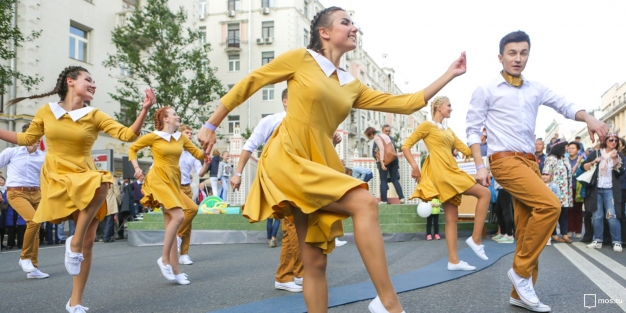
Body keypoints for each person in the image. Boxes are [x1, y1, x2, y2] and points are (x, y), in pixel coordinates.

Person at [197, 6, 467, 313]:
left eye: (353, 23)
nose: (353, 28)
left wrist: (450, 73)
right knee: (364, 203)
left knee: (314, 261)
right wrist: (210, 124)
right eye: (346, 22)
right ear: (324, 32)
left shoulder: (351, 85)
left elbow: (405, 104)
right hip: (287, 156)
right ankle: (389, 302)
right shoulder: (302, 58)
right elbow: (252, 81)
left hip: (319, 160)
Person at [466, 31, 608, 312]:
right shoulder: (487, 88)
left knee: (529, 225)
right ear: (500, 57)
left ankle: (518, 294)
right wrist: (480, 166)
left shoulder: (535, 88)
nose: (518, 58)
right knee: (550, 205)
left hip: (531, 162)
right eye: (512, 53)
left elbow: (564, 105)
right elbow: (472, 129)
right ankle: (520, 272)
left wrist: (588, 117)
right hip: (504, 161)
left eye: (523, 53)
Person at [2, 66, 154, 312]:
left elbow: (128, 135)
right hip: (57, 175)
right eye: (88, 80)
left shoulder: (94, 115)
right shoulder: (47, 111)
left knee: (89, 241)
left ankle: (76, 301)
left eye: (94, 81)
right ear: (71, 82)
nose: (93, 84)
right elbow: (26, 139)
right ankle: (74, 243)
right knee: (103, 181)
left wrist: (145, 109)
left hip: (84, 175)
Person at [402, 96, 491, 271]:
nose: (451, 109)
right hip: (443, 173)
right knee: (485, 193)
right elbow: (406, 145)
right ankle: (476, 239)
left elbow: (466, 150)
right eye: (449, 106)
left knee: (452, 219)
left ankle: (453, 261)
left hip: (450, 170)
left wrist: (480, 142)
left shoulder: (448, 130)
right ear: (438, 108)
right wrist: (414, 167)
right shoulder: (427, 126)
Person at [129, 106, 205, 285]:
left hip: (173, 181)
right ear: (165, 119)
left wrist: (207, 149)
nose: (178, 117)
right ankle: (164, 260)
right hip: (158, 179)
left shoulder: (181, 138)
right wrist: (137, 168)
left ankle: (176, 272)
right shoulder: (154, 136)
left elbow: (198, 154)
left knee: (172, 221)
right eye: (174, 115)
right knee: (179, 215)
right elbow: (132, 149)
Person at [0, 123, 49, 279]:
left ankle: (33, 269)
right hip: (16, 193)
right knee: (34, 222)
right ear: (25, 136)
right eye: (34, 135)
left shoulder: (43, 156)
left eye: (39, 136)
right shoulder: (11, 152)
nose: (37, 139)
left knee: (35, 227)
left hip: (36, 193)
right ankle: (24, 257)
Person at [582, 133, 623, 252]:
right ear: (605, 141)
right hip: (596, 189)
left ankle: (617, 241)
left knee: (612, 216)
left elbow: (621, 172)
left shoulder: (618, 155)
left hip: (610, 189)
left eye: (616, 140)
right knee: (597, 216)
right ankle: (598, 240)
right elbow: (583, 167)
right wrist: (594, 161)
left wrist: (615, 160)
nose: (613, 142)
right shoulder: (596, 153)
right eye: (611, 139)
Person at [177, 124, 209, 265]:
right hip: (174, 188)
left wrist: (206, 164)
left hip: (187, 188)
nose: (190, 135)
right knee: (191, 210)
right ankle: (176, 237)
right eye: (187, 133)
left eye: (191, 133)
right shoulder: (172, 149)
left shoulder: (192, 153)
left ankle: (184, 254)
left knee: (188, 221)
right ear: (180, 134)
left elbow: (200, 173)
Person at [365, 126, 405, 204]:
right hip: (394, 158)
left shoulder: (377, 137)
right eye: (386, 130)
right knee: (395, 179)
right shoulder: (389, 137)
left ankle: (384, 200)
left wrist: (382, 162)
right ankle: (402, 198)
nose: (387, 132)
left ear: (370, 134)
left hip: (385, 160)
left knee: (383, 180)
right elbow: (393, 149)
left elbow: (381, 149)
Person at [542, 141, 573, 243]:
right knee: (554, 212)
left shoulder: (565, 159)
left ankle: (564, 234)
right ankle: (554, 234)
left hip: (565, 191)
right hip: (554, 189)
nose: (567, 149)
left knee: (564, 213)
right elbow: (546, 173)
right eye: (566, 147)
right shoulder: (551, 159)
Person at [566, 142, 584, 238]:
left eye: (573, 148)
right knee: (568, 209)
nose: (570, 150)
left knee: (578, 209)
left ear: (578, 150)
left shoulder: (582, 160)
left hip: (578, 187)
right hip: (567, 188)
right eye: (569, 148)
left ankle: (578, 231)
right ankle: (570, 229)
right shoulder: (565, 160)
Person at [541, 171, 560, 246]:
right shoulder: (539, 184)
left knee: (549, 223)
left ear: (551, 176)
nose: (545, 176)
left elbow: (558, 196)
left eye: (547, 175)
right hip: (541, 206)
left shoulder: (554, 186)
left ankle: (548, 238)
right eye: (543, 174)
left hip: (551, 207)